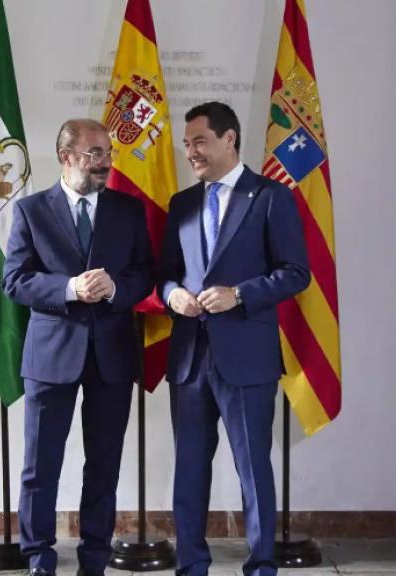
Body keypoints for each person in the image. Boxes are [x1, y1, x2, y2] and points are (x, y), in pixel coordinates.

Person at [159, 102, 310, 576]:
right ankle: (191, 566)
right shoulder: (181, 204)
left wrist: (240, 294)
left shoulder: (270, 197)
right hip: (188, 359)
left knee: (253, 469)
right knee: (188, 472)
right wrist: (174, 295)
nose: (191, 153)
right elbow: (165, 275)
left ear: (230, 139)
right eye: (187, 144)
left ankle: (261, 565)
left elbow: (296, 273)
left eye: (199, 141)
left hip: (246, 357)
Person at [2, 118, 154, 576]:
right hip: (51, 357)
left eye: (107, 153)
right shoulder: (30, 210)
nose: (105, 162)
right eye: (94, 154)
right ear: (66, 157)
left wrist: (114, 288)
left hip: (112, 357)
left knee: (104, 466)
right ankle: (39, 560)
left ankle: (94, 561)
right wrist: (69, 288)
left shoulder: (128, 210)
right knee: (39, 467)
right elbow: (15, 280)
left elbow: (145, 274)